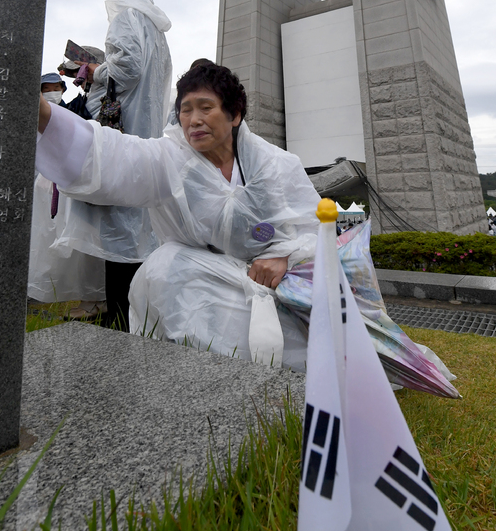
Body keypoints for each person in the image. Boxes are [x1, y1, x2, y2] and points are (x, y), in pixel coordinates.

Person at [36, 60, 318, 369]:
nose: (194, 120)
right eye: (186, 110)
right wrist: (44, 115)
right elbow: (115, 154)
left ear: (235, 115)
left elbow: (314, 229)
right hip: (209, 283)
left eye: (206, 108)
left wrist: (285, 258)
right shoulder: (171, 161)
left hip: (277, 283)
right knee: (162, 268)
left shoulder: (276, 164)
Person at [49, 0, 172, 330]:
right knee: (133, 229)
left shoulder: (125, 15)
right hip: (143, 133)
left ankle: (119, 319)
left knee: (116, 228)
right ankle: (131, 315)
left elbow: (127, 68)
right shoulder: (156, 27)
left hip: (120, 133)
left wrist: (91, 71)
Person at [27, 73, 107, 314]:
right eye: (46, 89)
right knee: (45, 238)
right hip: (45, 187)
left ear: (63, 88)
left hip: (70, 186)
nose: (51, 92)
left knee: (78, 241)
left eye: (55, 87)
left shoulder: (75, 108)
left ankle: (91, 297)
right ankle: (43, 291)